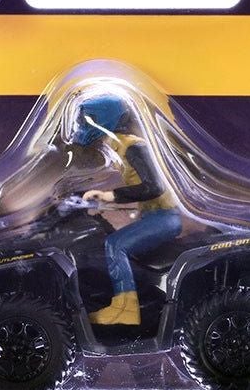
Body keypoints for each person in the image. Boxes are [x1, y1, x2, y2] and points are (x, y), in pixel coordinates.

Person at [65, 94, 184, 326]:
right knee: (104, 236)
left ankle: (126, 309)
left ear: (105, 119)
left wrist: (110, 196)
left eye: (87, 119)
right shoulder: (117, 146)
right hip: (155, 214)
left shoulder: (132, 146)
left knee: (115, 245)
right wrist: (99, 201)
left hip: (165, 217)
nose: (82, 126)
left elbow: (154, 187)